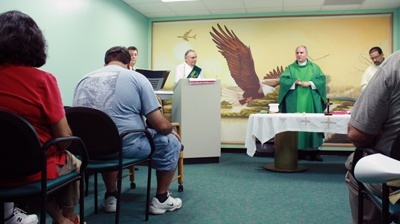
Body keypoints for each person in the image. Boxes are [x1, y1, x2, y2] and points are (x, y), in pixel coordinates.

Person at [73, 46, 182, 215]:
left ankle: (111, 196)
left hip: (89, 149)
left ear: (105, 63)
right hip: (126, 145)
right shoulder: (137, 78)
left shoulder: (83, 79)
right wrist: (168, 130)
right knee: (172, 142)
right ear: (129, 63)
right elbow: (160, 125)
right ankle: (161, 200)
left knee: (108, 141)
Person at [0, 10, 83, 224]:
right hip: (32, 169)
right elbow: (63, 139)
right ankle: (65, 218)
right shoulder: (42, 80)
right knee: (73, 161)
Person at [345, 50, 400, 224]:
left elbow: (358, 135)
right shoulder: (370, 70)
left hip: (396, 180)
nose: (374, 59)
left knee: (356, 166)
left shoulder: (395, 65)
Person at [278, 45, 327, 161]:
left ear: (306, 54)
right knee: (296, 125)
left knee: (313, 123)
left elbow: (322, 79)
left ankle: (314, 152)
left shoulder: (314, 68)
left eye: (302, 52)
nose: (299, 55)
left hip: (311, 101)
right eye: (297, 53)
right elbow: (283, 80)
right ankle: (297, 151)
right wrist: (295, 82)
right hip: (294, 102)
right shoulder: (290, 68)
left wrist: (310, 83)